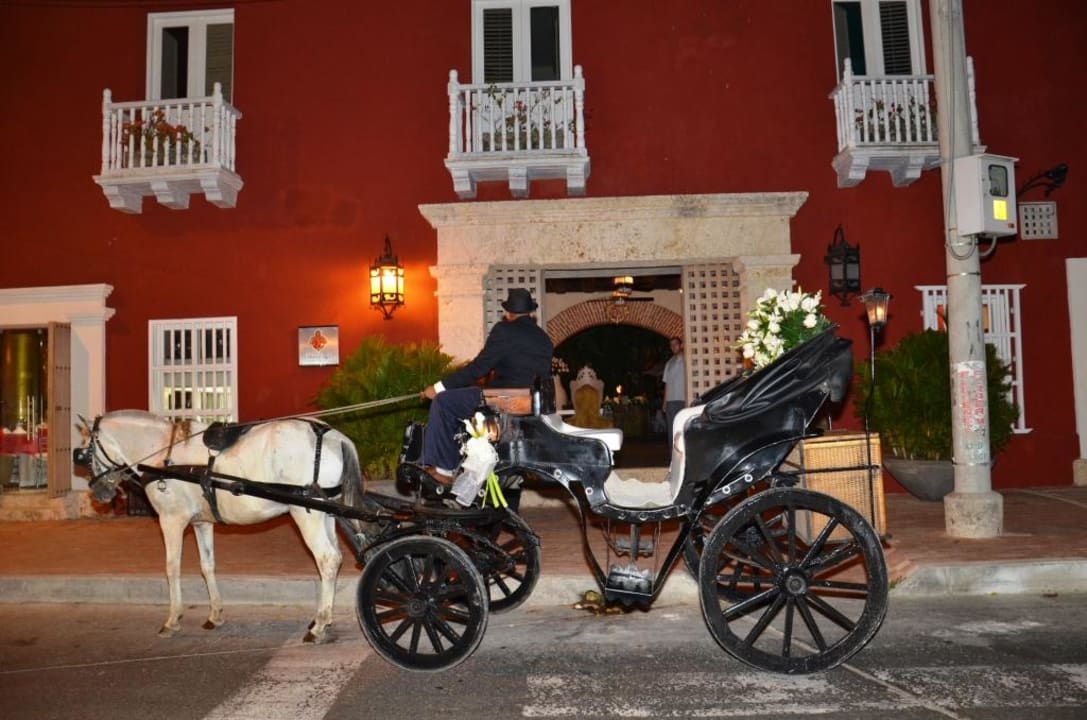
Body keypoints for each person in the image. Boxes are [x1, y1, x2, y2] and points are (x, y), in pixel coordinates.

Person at [420, 288, 553, 483]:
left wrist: (438, 388)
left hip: (500, 400)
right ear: (530, 312)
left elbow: (478, 368)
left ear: (508, 313)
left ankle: (443, 470)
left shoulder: (504, 330)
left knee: (444, 402)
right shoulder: (544, 338)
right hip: (531, 404)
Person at [661, 336, 686, 435]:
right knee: (672, 428)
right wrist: (664, 403)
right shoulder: (669, 363)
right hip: (670, 401)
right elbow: (667, 384)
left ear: (681, 345)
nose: (673, 347)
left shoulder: (687, 360)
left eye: (676, 344)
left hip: (683, 399)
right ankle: (672, 445)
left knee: (682, 427)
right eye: (671, 345)